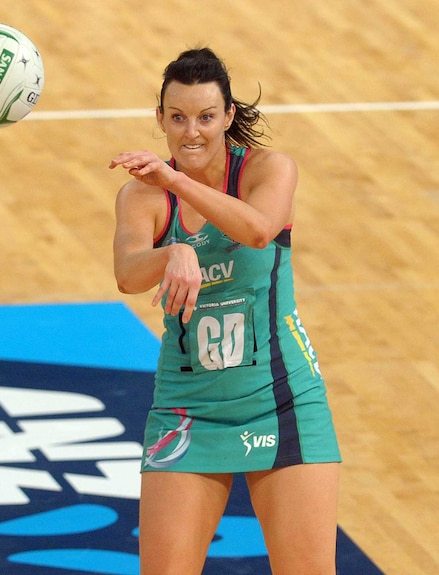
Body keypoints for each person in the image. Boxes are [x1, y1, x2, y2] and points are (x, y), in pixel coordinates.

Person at [109, 48, 341, 575]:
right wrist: (173, 252)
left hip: (282, 401)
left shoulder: (268, 169)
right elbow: (127, 273)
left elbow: (259, 230)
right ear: (161, 119)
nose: (192, 132)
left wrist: (176, 181)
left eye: (206, 117)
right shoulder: (141, 197)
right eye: (178, 117)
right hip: (188, 409)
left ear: (229, 116)